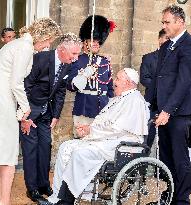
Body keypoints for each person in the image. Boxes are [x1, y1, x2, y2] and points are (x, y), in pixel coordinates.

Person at [0, 18, 62, 205]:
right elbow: (16, 83)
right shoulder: (24, 47)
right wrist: (25, 107)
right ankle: (4, 200)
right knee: (8, 151)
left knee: (4, 151)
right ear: (43, 35)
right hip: (2, 98)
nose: (47, 46)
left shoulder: (19, 44)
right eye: (48, 41)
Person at [37, 68, 150, 205]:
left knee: (80, 153)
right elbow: (104, 121)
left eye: (118, 79)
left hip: (123, 145)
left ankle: (67, 200)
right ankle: (56, 196)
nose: (114, 81)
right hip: (109, 139)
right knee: (65, 147)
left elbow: (117, 128)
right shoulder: (119, 98)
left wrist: (92, 130)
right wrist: (88, 129)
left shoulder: (134, 100)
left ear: (128, 83)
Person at [149, 5, 191, 205]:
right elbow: (159, 79)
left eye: (167, 22)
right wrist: (152, 105)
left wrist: (167, 110)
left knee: (180, 159)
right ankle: (171, 193)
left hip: (178, 113)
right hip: (163, 111)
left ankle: (181, 200)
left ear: (180, 22)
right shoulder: (166, 46)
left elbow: (184, 82)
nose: (164, 25)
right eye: (163, 22)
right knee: (166, 157)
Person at [19, 33, 82, 203]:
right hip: (29, 113)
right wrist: (25, 116)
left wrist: (56, 115)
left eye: (78, 54)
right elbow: (25, 87)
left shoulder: (67, 64)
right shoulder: (39, 59)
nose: (76, 59)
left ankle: (44, 184)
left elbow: (61, 91)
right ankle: (32, 189)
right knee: (30, 151)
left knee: (45, 148)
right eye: (73, 54)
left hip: (46, 115)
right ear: (61, 49)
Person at [67, 15, 115, 137]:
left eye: (98, 41)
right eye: (93, 40)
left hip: (102, 109)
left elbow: (110, 89)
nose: (96, 44)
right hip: (84, 109)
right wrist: (86, 74)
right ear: (84, 42)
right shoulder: (77, 60)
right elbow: (71, 86)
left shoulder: (104, 62)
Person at [140, 29, 168, 148]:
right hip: (152, 103)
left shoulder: (175, 59)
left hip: (168, 105)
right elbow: (144, 78)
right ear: (159, 39)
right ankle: (143, 163)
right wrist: (160, 87)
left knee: (166, 139)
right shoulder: (148, 58)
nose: (168, 41)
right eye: (166, 38)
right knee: (148, 136)